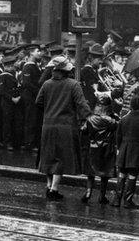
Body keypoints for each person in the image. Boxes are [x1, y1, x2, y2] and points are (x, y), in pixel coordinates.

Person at [36, 55, 92, 200]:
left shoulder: (47, 84)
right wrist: (90, 117)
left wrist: (50, 110)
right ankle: (54, 189)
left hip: (47, 125)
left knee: (48, 156)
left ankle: (49, 186)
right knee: (60, 158)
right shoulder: (73, 84)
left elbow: (38, 102)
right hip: (65, 126)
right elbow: (82, 105)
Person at [81, 95, 119, 204]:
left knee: (90, 173)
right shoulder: (111, 120)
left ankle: (88, 192)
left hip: (92, 148)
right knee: (104, 174)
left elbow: (83, 130)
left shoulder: (90, 118)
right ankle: (102, 196)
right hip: (106, 148)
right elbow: (118, 125)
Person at [114, 95, 139, 209]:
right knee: (133, 175)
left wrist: (120, 148)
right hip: (137, 150)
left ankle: (116, 199)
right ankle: (128, 201)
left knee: (122, 173)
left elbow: (118, 136)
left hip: (124, 149)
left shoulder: (124, 119)